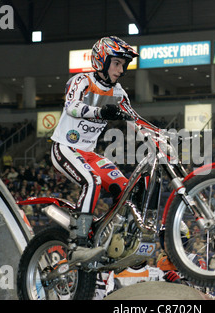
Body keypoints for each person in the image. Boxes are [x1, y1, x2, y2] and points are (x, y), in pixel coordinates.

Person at [50, 36, 157, 262]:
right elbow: (71, 107)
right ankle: (77, 243)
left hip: (89, 154)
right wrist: (101, 112)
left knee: (127, 189)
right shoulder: (81, 81)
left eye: (123, 65)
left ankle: (117, 240)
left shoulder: (119, 93)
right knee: (92, 181)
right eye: (116, 63)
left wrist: (161, 136)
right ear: (101, 60)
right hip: (65, 148)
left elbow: (136, 121)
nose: (121, 70)